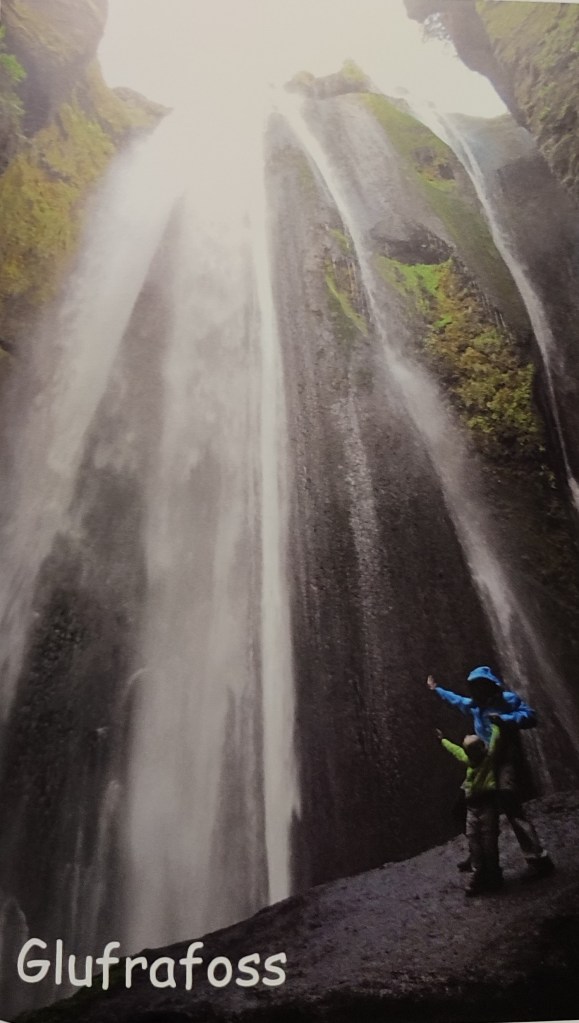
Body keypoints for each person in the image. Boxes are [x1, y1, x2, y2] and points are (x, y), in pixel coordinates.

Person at [428, 665, 554, 881]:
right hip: (482, 764)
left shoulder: (508, 701)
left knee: (510, 803)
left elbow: (530, 716)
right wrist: (436, 689)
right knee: (460, 809)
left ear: (489, 686)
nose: (475, 691)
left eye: (479, 686)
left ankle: (538, 859)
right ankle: (476, 852)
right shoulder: (475, 706)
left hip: (504, 761)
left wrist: (505, 720)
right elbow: (456, 700)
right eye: (473, 687)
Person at [436, 724, 502, 896]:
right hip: (473, 807)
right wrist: (443, 740)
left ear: (482, 749)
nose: (471, 755)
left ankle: (493, 876)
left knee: (488, 843)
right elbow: (456, 750)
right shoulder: (471, 760)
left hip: (487, 806)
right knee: (475, 841)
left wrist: (496, 727)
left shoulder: (488, 760)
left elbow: (494, 742)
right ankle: (479, 875)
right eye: (469, 752)